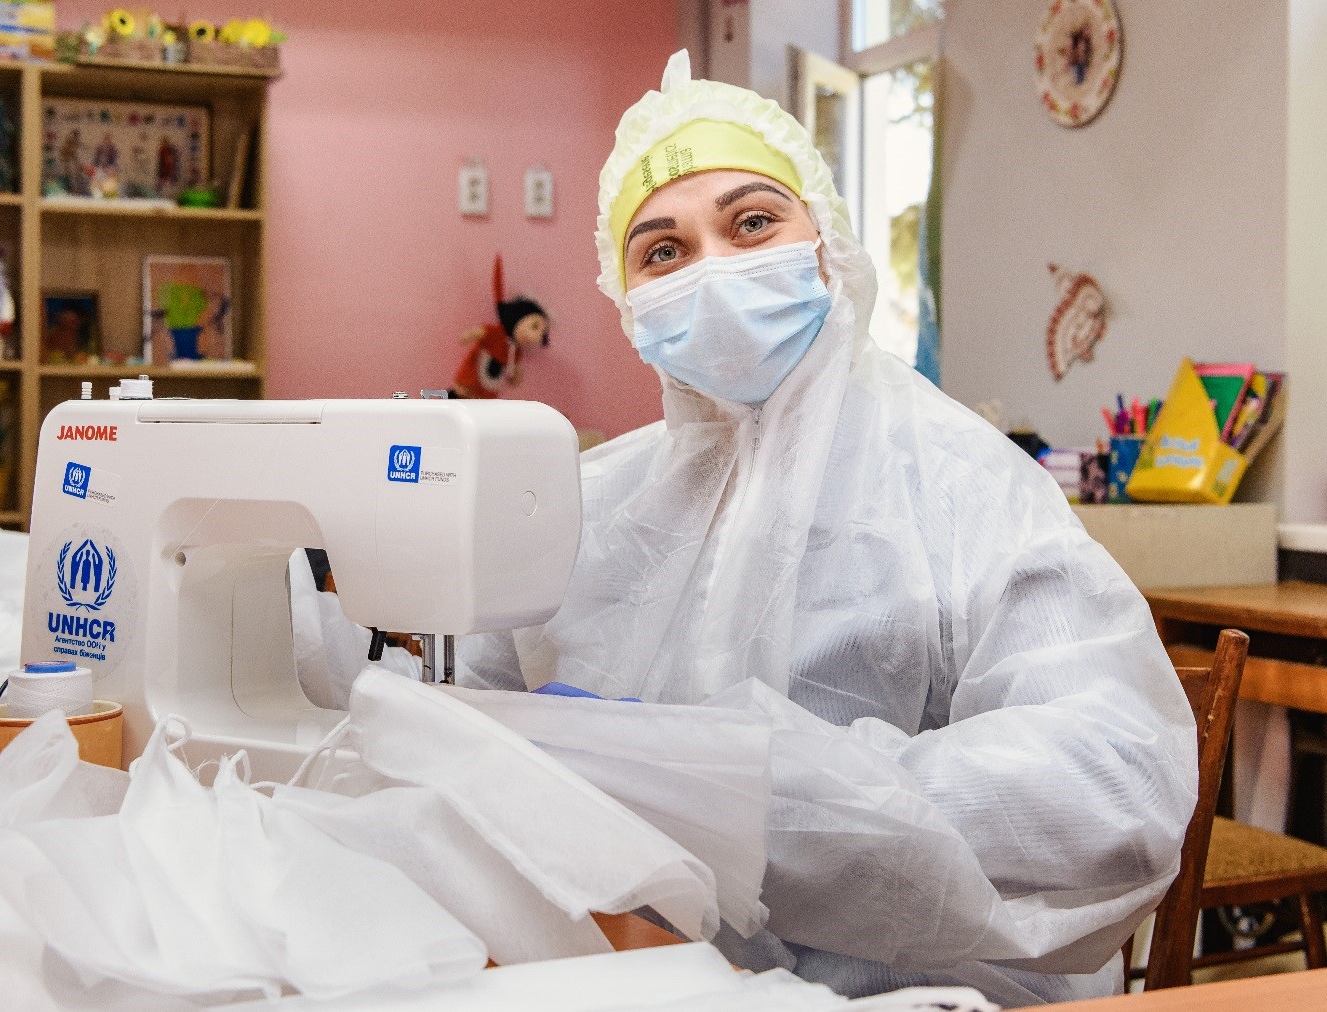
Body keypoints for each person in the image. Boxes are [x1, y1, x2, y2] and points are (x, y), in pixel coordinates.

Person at [454, 52, 1196, 1007]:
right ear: (628, 302)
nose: (712, 271)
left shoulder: (957, 477)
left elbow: (1113, 783)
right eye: (664, 251)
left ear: (827, 243)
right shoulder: (589, 504)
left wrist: (757, 793)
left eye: (753, 222)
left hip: (910, 991)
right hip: (654, 983)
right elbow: (463, 721)